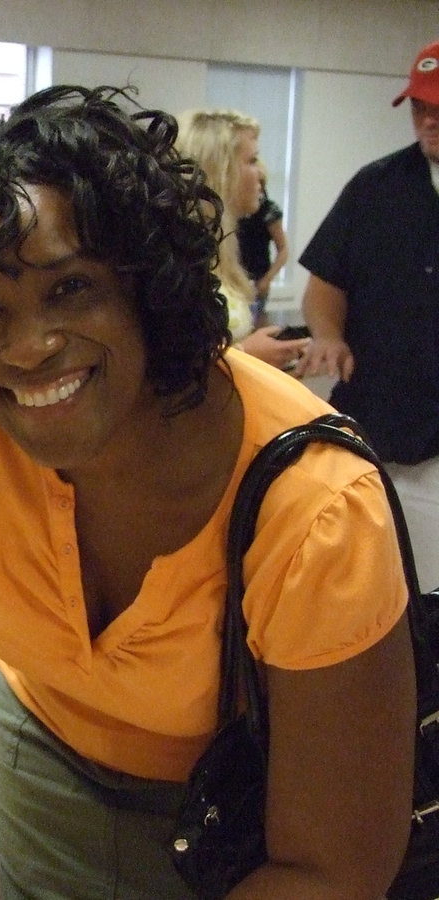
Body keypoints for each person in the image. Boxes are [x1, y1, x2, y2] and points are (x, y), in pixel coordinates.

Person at [0, 85, 414, 898]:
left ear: (146, 285)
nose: (28, 348)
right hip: (42, 765)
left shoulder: (316, 508)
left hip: (240, 823)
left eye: (70, 289)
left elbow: (335, 866)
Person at [297, 38, 439, 591]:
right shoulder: (375, 187)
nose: (429, 121)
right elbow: (323, 287)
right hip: (377, 419)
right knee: (376, 576)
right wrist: (328, 336)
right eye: (421, 108)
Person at [176, 108, 309, 371]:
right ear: (220, 169)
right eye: (252, 160)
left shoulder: (219, 249)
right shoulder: (179, 255)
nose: (262, 173)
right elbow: (167, 365)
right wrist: (246, 355)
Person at [236, 161, 290, 324]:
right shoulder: (233, 209)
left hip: (257, 280)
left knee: (253, 325)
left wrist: (267, 279)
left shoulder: (269, 211)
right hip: (235, 279)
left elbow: (283, 249)